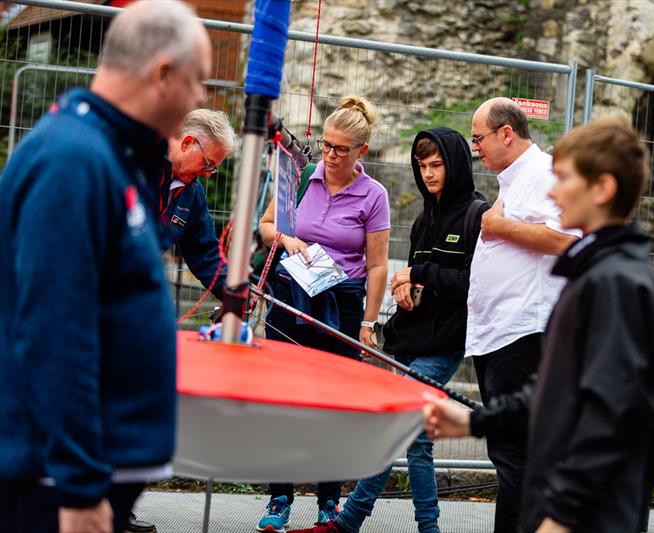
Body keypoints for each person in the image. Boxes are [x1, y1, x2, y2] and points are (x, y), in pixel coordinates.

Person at [0, 2, 211, 533]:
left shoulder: (108, 154)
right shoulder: (72, 161)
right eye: (199, 80)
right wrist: (79, 485)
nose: (202, 98)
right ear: (163, 73)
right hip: (53, 489)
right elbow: (55, 330)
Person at [423, 117, 654, 533]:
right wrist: (474, 422)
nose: (553, 192)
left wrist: (559, 517)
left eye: (564, 179)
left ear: (602, 189)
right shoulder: (595, 274)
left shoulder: (615, 284)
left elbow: (607, 420)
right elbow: (556, 389)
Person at [289, 128, 489, 533]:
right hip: (413, 335)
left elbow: (474, 285)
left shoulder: (477, 215)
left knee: (404, 427)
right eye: (422, 166)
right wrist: (406, 289)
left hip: (447, 340)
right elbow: (424, 280)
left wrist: (419, 273)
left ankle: (360, 522)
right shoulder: (423, 217)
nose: (429, 173)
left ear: (458, 166)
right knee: (408, 434)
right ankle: (362, 524)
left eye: (438, 165)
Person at [255, 95, 390, 533]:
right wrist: (289, 241)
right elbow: (267, 224)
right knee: (284, 399)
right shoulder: (301, 176)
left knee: (333, 405)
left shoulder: (374, 195)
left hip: (341, 305)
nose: (330, 155)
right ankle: (279, 497)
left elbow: (377, 264)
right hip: (292, 295)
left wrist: (369, 323)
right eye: (326, 145)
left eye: (341, 149)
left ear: (361, 153)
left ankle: (328, 501)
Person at [465, 97, 579, 531]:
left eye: (480, 138)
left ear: (506, 133)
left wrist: (499, 227)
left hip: (524, 332)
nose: (476, 147)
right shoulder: (514, 179)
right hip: (500, 334)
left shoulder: (543, 172)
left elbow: (566, 239)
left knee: (517, 453)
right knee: (510, 453)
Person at [151, 108, 239, 298]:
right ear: (187, 143)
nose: (207, 174)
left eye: (213, 169)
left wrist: (234, 290)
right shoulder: (139, 163)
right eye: (207, 163)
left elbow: (204, 252)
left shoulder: (192, 192)